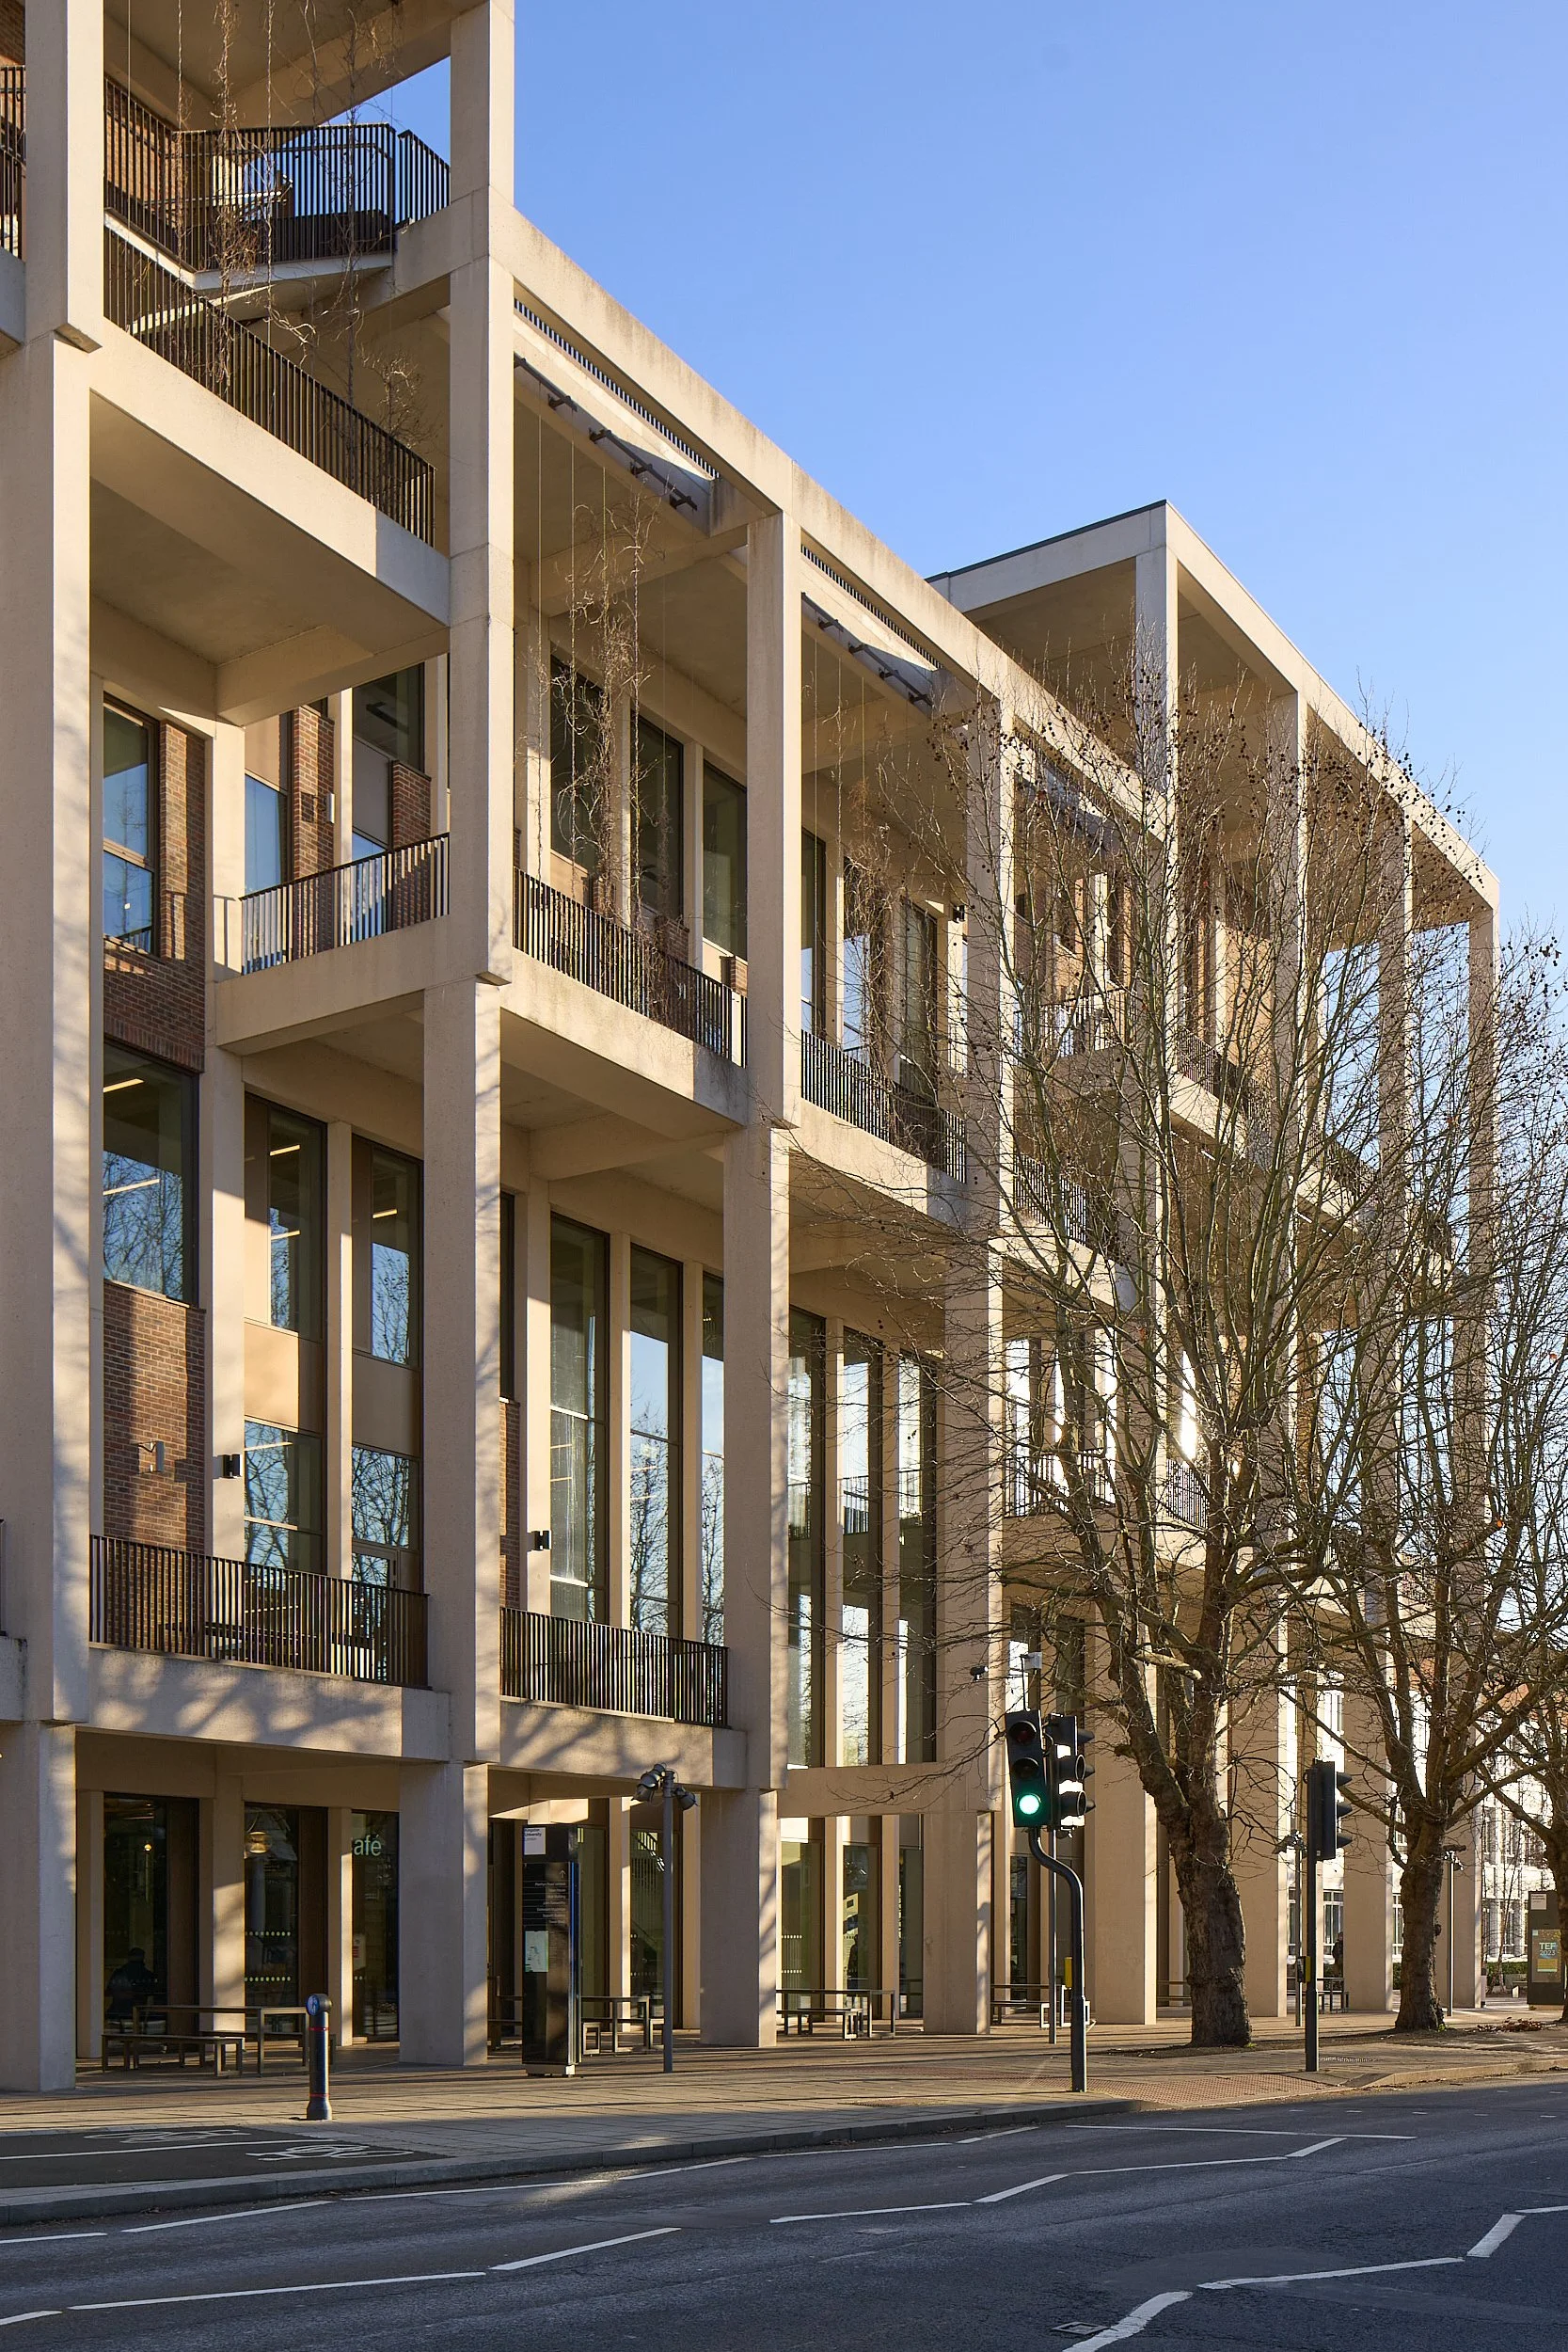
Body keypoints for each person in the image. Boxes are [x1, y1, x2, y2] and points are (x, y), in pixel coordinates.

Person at [105, 1947, 156, 2024]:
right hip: (121, 2014)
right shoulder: (120, 1974)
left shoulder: (120, 1973)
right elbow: (109, 1992)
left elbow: (152, 1992)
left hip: (132, 2014)